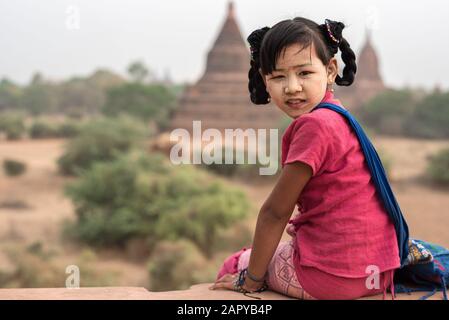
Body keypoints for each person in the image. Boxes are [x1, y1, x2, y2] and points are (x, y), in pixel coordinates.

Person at [209, 17, 400, 300]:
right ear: (265, 79)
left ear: (331, 70)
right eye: (278, 77)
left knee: (237, 263)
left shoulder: (314, 125)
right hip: (377, 273)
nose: (292, 87)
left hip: (332, 279)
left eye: (304, 73)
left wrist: (250, 282)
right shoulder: (338, 117)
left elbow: (275, 212)